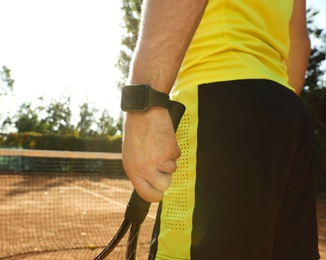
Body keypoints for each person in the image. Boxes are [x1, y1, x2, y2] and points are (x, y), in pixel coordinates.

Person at [121, 0, 320, 259]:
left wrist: (144, 101)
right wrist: (266, 129)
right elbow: (299, 43)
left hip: (216, 95)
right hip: (286, 112)